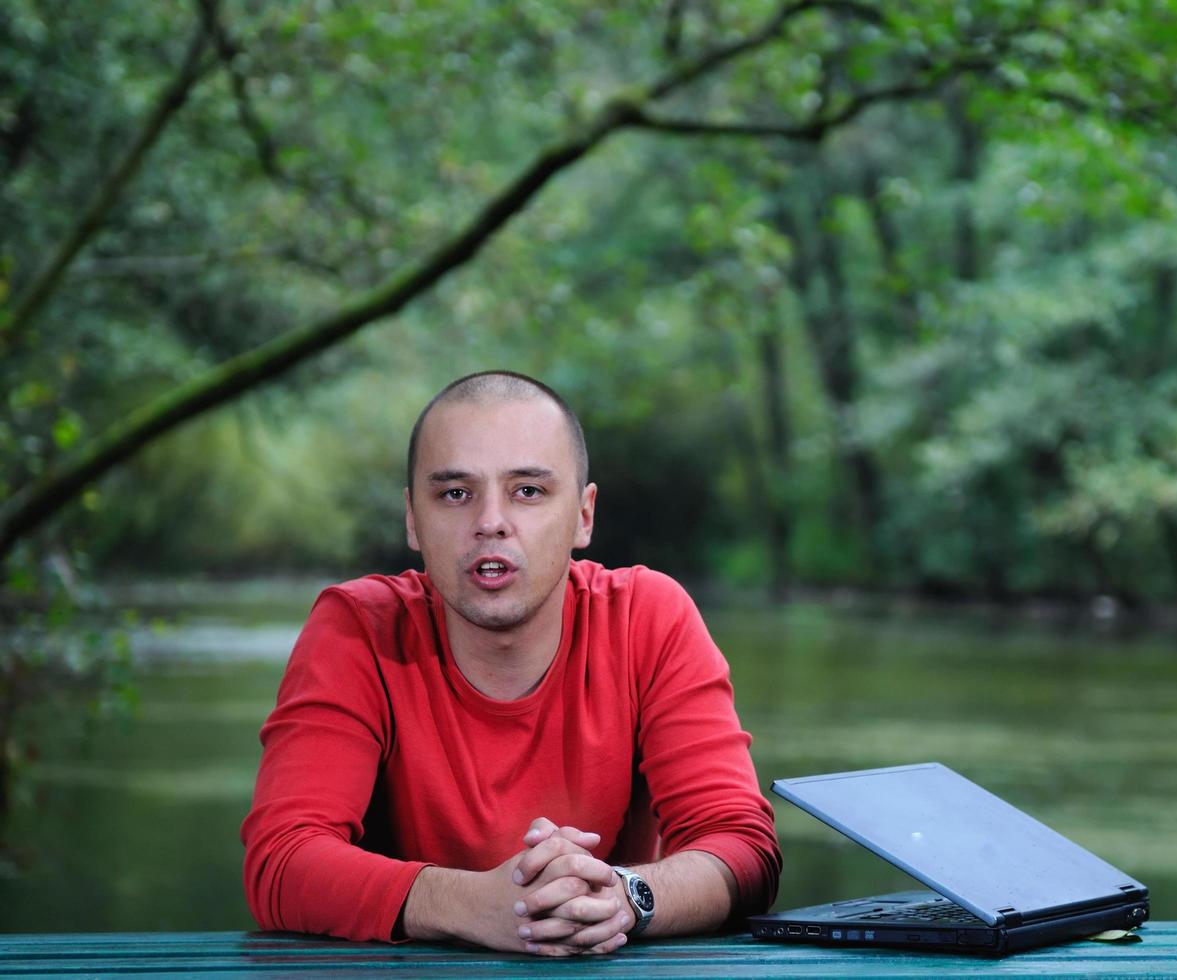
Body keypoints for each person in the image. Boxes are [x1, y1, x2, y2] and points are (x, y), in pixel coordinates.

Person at [241, 371, 781, 956]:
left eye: (528, 491)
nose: (490, 521)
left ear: (583, 515)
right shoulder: (358, 629)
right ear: (412, 519)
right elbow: (282, 861)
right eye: (454, 494)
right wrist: (470, 904)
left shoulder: (647, 618)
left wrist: (624, 896)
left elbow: (742, 849)